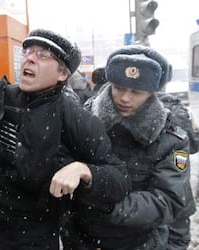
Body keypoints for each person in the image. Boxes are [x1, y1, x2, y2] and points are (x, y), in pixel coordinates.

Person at [0, 28, 130, 250]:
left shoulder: (73, 116)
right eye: (28, 51)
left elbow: (119, 178)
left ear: (62, 74)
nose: (30, 58)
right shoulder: (2, 96)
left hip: (34, 231)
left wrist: (83, 170)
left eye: (44, 55)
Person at [62, 45, 196, 249]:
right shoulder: (84, 118)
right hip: (81, 240)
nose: (125, 98)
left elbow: (169, 200)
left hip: (139, 243)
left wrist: (110, 208)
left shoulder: (171, 137)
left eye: (137, 92)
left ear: (152, 93)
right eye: (119, 88)